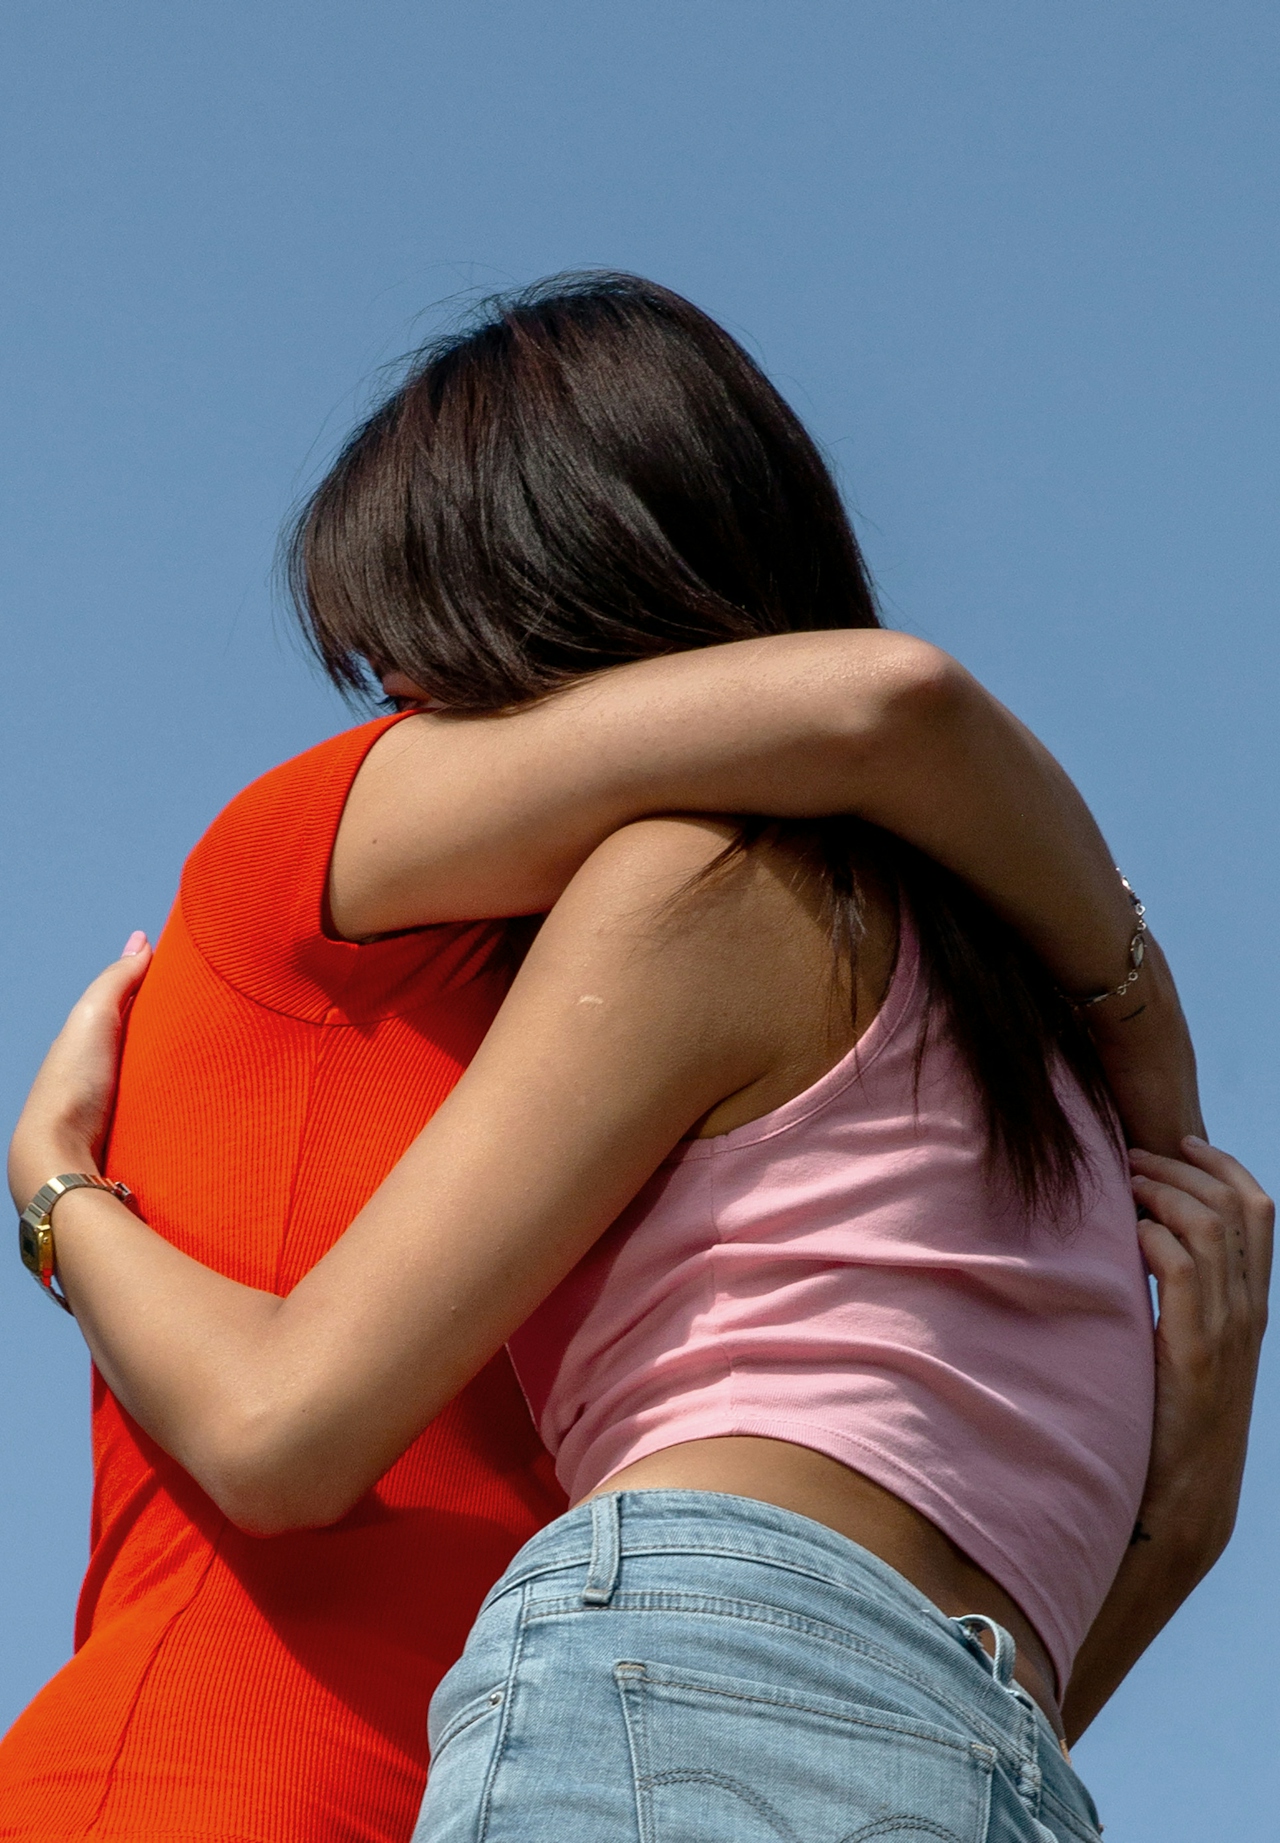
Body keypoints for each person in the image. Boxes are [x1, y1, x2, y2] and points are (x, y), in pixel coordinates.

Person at [7, 275, 1270, 1842]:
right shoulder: (979, 1051)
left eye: (423, 671)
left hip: (708, 1725)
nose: (407, 730)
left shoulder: (735, 925)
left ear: (553, 611)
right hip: (282, 1768)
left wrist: (55, 1195)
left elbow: (890, 704)